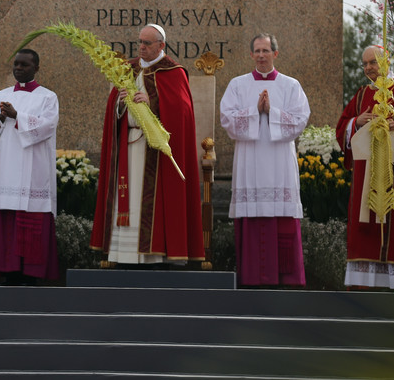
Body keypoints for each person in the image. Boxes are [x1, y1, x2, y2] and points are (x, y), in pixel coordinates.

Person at [91, 24, 205, 265]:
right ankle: (124, 253)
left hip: (154, 152)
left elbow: (182, 112)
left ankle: (155, 254)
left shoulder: (173, 72)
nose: (141, 47)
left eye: (147, 43)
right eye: (140, 42)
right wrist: (119, 103)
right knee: (128, 198)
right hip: (128, 148)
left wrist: (153, 101)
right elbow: (113, 109)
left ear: (161, 45)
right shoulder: (127, 69)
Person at [336, 45, 394, 291]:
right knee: (366, 233)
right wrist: (356, 122)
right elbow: (342, 128)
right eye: (365, 64)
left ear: (386, 62)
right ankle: (363, 294)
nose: (369, 68)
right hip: (365, 179)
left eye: (373, 62)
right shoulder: (361, 95)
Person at [220, 34, 310, 286]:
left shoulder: (291, 86)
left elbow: (300, 120)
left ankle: (286, 278)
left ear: (275, 54)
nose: (261, 55)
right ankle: (252, 277)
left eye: (266, 50)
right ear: (251, 55)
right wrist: (254, 111)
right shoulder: (238, 85)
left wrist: (272, 112)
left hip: (279, 163)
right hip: (249, 162)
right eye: (257, 51)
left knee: (281, 215)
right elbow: (226, 119)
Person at [0, 49, 59, 285]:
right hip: (6, 168)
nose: (19, 68)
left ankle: (31, 275)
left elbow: (47, 127)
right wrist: (1, 118)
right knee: (7, 220)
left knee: (31, 219)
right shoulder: (1, 96)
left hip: (34, 169)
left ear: (36, 68)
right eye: (16, 64)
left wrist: (17, 116)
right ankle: (9, 271)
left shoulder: (47, 97)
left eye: (24, 65)